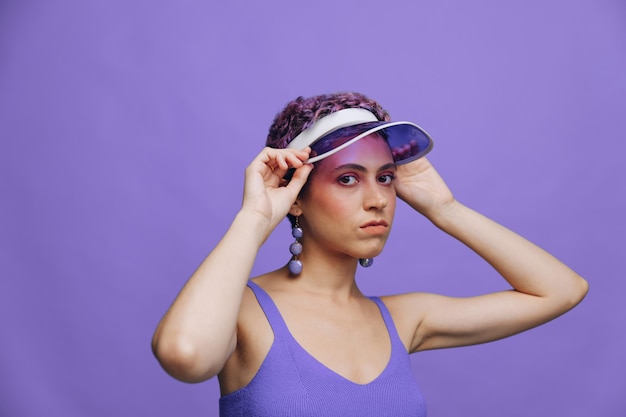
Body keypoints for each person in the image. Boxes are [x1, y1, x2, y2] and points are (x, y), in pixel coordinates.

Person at [152, 92, 588, 416]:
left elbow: (562, 290)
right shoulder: (242, 311)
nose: (378, 198)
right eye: (347, 178)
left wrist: (445, 209)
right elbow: (185, 354)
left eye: (386, 177)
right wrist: (254, 218)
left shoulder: (405, 319)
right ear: (296, 196)